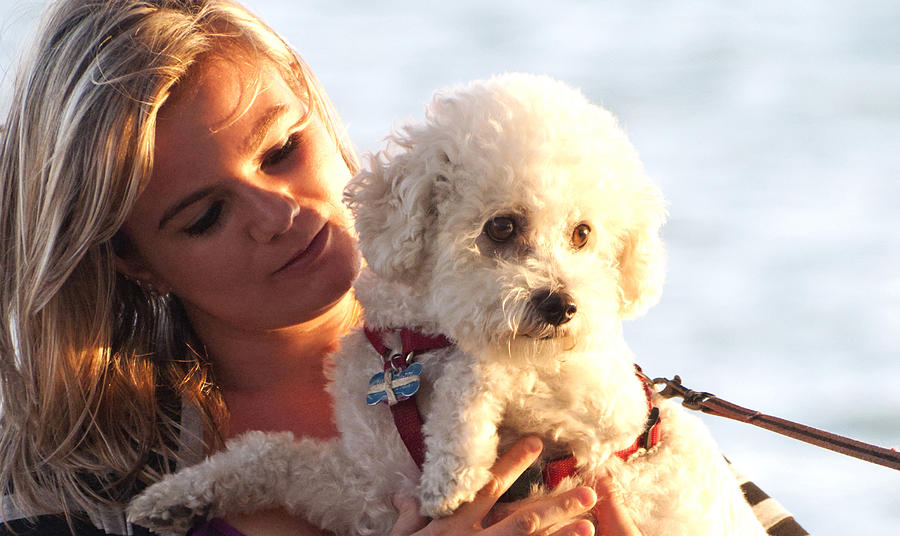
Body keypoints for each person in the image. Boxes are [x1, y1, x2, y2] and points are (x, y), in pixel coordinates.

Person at [0, 1, 647, 535]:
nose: (276, 213)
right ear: (131, 258)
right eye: (206, 216)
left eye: (282, 150)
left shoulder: (524, 333)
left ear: (309, 96)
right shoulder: (59, 493)